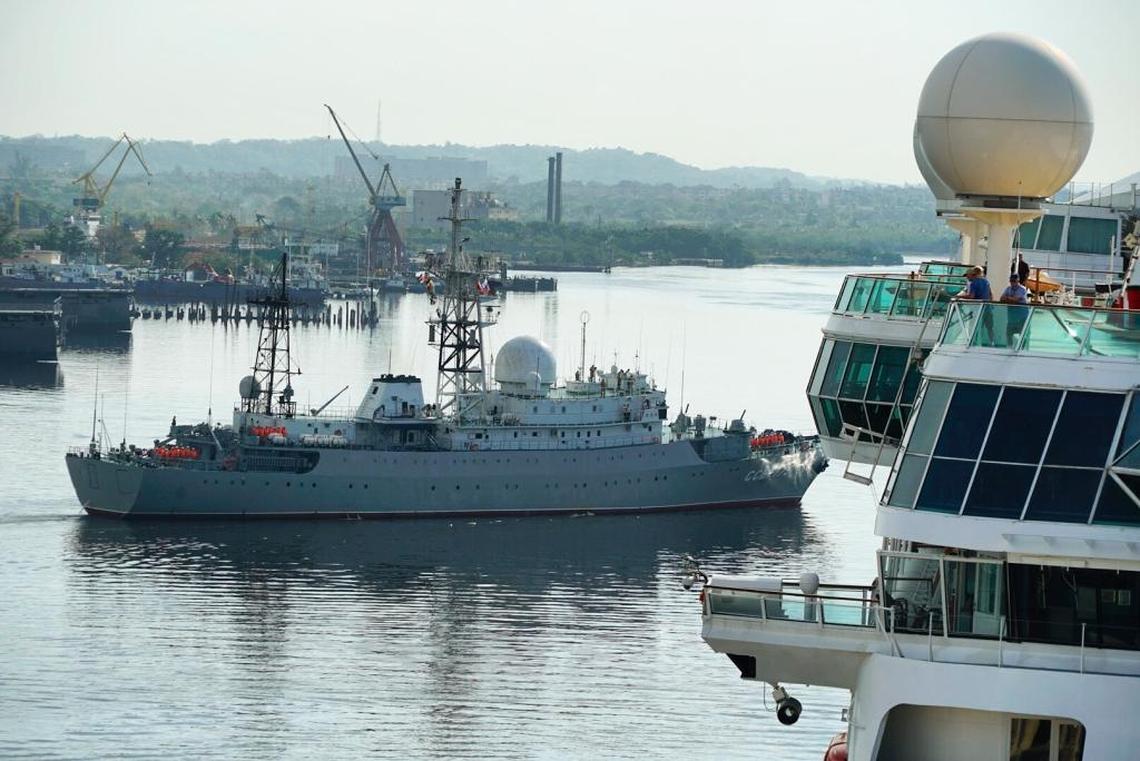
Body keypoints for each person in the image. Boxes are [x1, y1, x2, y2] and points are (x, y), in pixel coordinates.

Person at [1001, 273, 1030, 346]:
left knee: (1022, 334)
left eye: (1014, 281)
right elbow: (1001, 299)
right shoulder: (1008, 288)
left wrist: (1007, 298)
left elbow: (1016, 300)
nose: (1012, 283)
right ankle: (1009, 348)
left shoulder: (1022, 289)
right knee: (1008, 333)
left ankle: (1022, 348)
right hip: (1012, 317)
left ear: (1018, 281)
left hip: (1021, 317)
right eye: (1011, 281)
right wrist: (1010, 299)